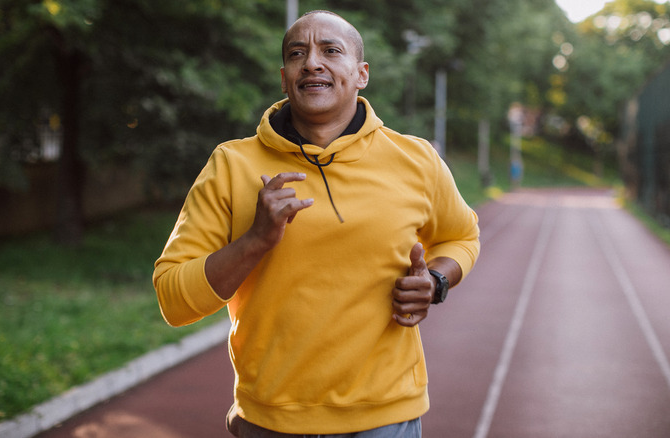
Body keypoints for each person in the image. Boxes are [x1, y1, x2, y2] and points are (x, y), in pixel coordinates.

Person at [153, 10, 480, 437]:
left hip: (386, 416)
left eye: (331, 50)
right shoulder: (232, 164)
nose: (312, 62)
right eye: (297, 53)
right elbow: (174, 300)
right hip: (270, 420)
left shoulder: (415, 159)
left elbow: (462, 236)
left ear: (361, 74)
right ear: (285, 77)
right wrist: (255, 240)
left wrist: (436, 280)